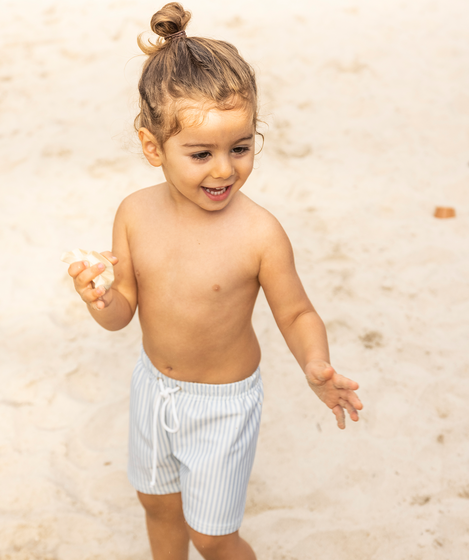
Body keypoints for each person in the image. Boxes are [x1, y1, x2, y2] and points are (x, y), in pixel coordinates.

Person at [66, 3, 363, 559]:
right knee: (156, 502)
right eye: (201, 154)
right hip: (154, 388)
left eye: (241, 148)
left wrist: (314, 363)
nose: (224, 169)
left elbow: (296, 312)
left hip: (223, 405)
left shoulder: (259, 234)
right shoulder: (133, 213)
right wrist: (99, 298)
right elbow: (122, 311)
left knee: (212, 535)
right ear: (153, 147)